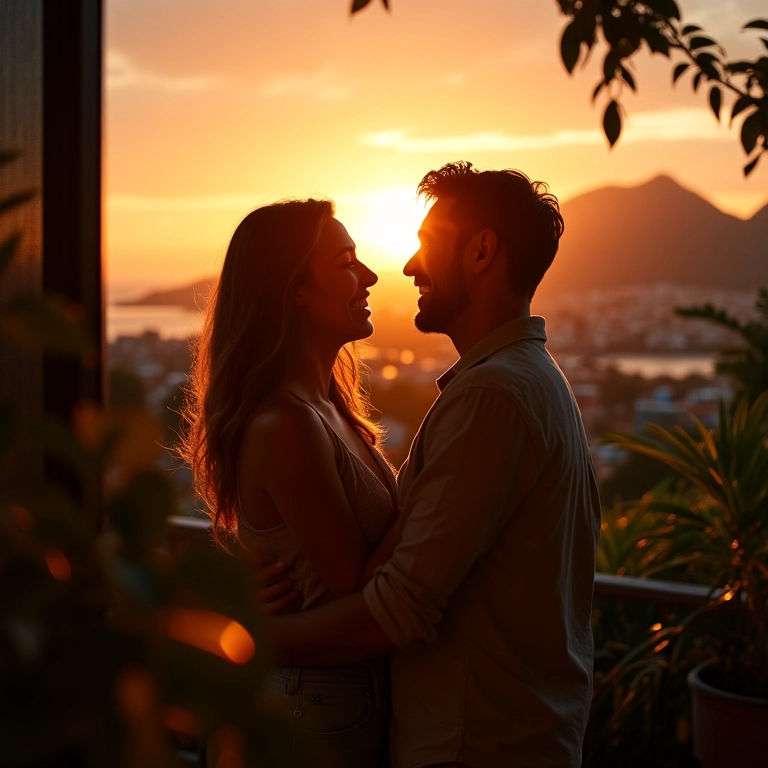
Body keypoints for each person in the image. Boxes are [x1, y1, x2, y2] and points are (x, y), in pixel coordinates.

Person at [264, 162, 602, 768]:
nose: (409, 266)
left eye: (426, 245)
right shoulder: (525, 381)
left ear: (481, 251)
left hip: (471, 744)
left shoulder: (493, 397)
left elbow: (397, 607)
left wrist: (243, 635)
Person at [181, 199, 402, 768]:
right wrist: (449, 485)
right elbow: (360, 587)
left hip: (335, 695)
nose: (371, 276)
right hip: (317, 704)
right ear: (295, 290)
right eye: (347, 261)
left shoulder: (327, 406)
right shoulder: (288, 424)